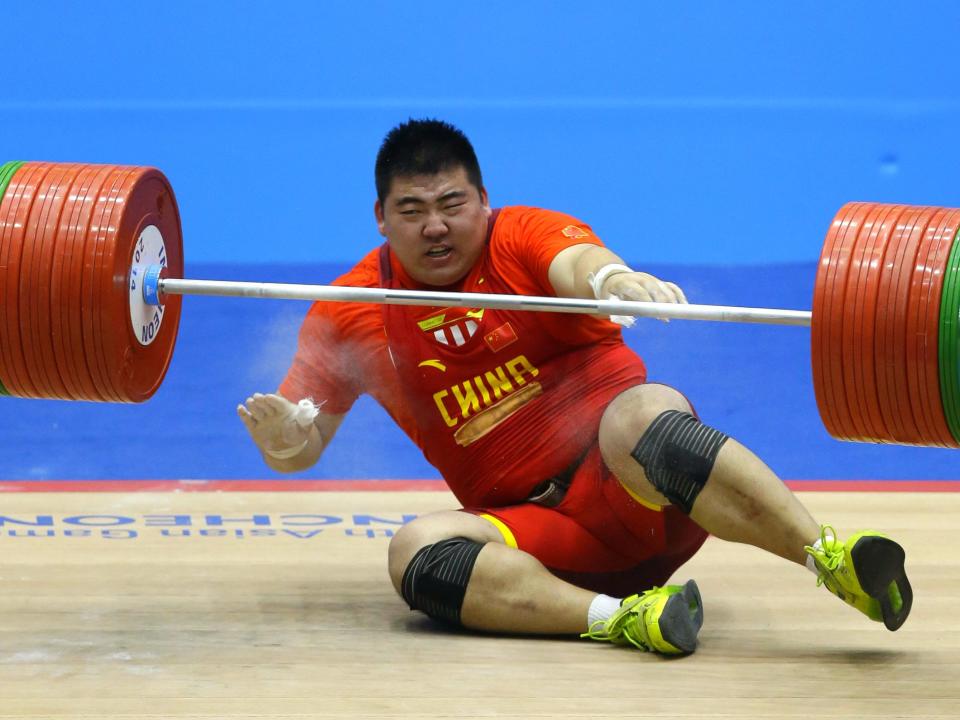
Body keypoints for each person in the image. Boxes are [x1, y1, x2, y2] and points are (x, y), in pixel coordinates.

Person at [237, 118, 912, 655]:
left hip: (648, 493)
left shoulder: (522, 235)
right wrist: (284, 441)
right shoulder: (349, 310)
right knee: (412, 550)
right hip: (542, 546)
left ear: (484, 201)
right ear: (380, 217)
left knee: (642, 412)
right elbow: (301, 441)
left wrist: (613, 283)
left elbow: (580, 264)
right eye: (411, 210)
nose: (435, 225)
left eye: (451, 203)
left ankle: (831, 561)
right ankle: (626, 621)